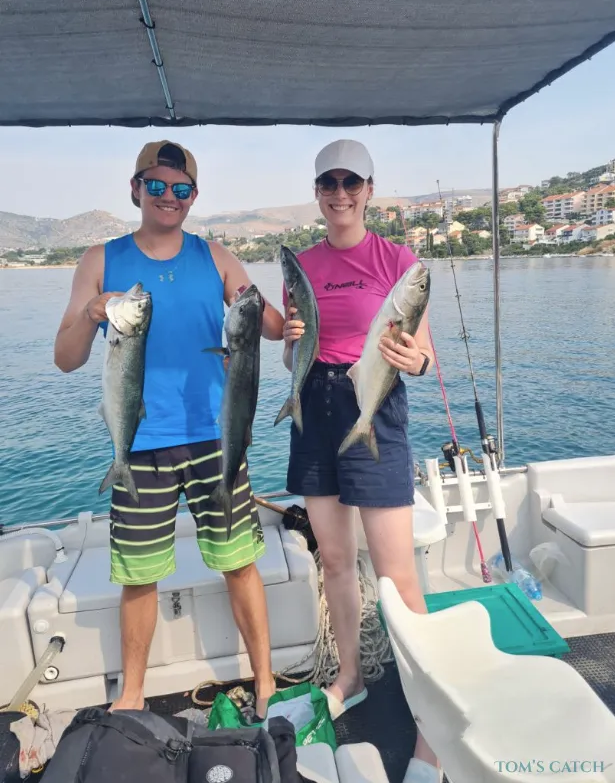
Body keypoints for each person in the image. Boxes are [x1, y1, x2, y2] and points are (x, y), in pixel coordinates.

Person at [54, 140, 284, 717]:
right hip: (139, 444)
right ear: (135, 189)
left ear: (193, 196)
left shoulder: (216, 256)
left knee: (239, 561)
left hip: (216, 435)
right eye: (156, 185)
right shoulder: (100, 260)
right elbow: (66, 359)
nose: (168, 197)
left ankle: (265, 683)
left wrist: (287, 315)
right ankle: (132, 695)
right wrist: (91, 313)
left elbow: (270, 325)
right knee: (138, 575)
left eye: (181, 189)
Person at [281, 139, 441, 782]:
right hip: (315, 404)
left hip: (374, 399)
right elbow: (294, 352)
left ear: (369, 190)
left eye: (352, 182)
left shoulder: (399, 262)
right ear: (317, 192)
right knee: (336, 561)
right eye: (330, 182)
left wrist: (416, 361)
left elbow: (424, 356)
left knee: (398, 577)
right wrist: (290, 344)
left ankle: (432, 719)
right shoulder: (301, 265)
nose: (340, 193)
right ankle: (350, 677)